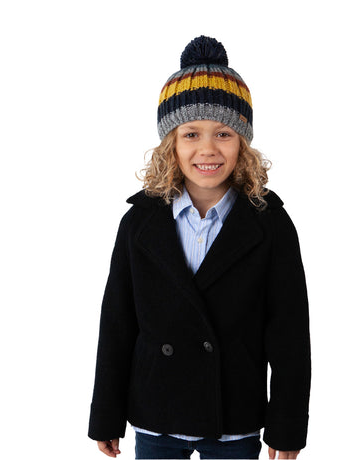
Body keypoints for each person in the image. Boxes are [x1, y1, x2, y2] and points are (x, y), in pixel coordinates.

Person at [88, 35, 311, 460]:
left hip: (233, 416)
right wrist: (106, 415)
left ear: (242, 142)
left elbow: (289, 335)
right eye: (191, 133)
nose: (207, 148)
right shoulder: (139, 223)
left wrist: (287, 429)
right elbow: (117, 324)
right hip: (156, 413)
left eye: (223, 133)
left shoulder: (270, 224)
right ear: (171, 143)